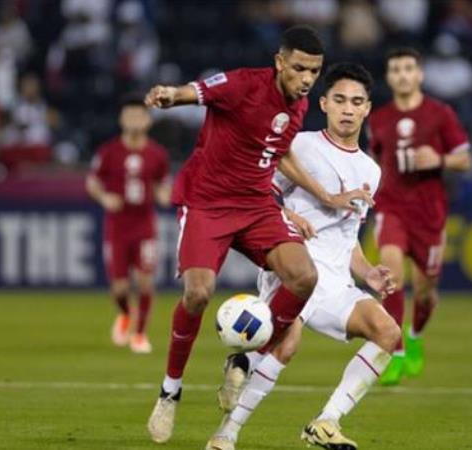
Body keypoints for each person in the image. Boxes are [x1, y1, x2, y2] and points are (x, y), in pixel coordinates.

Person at [143, 26, 372, 443]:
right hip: (208, 204)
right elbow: (199, 91)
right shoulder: (244, 84)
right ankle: (170, 391)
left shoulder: (299, 105)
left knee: (303, 276)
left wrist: (323, 196)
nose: (307, 78)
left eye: (314, 71)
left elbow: (279, 155)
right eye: (299, 68)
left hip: (255, 205)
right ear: (280, 62)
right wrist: (170, 95)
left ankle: (246, 362)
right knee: (198, 294)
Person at [206, 62, 399, 450]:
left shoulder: (371, 170)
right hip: (292, 265)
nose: (347, 109)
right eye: (340, 100)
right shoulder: (300, 146)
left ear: (367, 109)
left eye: (356, 102)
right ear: (324, 104)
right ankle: (226, 435)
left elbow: (348, 237)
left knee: (388, 333)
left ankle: (325, 422)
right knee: (287, 343)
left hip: (335, 282)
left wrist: (367, 273)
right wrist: (290, 216)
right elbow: (259, 192)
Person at [369, 47, 471, 386]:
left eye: (408, 68)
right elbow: (373, 160)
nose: (402, 75)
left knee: (426, 291)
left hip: (429, 213)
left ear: (420, 74)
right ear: (389, 77)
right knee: (391, 272)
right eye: (396, 69)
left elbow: (464, 159)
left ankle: (414, 336)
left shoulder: (440, 113)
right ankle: (395, 351)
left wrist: (439, 159)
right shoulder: (378, 118)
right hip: (391, 207)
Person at [86, 94, 171, 354]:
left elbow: (162, 184)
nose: (134, 120)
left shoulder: (157, 154)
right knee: (119, 288)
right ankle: (125, 314)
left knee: (145, 281)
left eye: (139, 115)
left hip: (145, 224)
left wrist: (164, 195)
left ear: (148, 120)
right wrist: (104, 198)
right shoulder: (109, 152)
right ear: (122, 119)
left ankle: (140, 334)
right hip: (117, 225)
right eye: (130, 115)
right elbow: (92, 182)